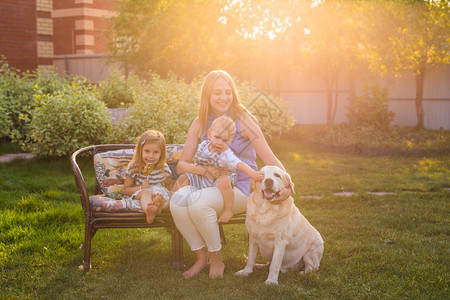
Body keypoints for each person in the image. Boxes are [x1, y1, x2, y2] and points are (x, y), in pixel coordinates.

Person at [170, 70, 291, 279]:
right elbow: (182, 165)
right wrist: (205, 171)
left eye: (228, 92)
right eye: (217, 92)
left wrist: (288, 185)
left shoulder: (244, 121)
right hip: (206, 183)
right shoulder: (199, 123)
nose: (224, 97)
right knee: (178, 201)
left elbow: (269, 159)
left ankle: (216, 258)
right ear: (207, 95)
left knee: (199, 204)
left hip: (240, 188)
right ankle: (201, 257)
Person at [172, 115, 264, 223]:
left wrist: (253, 174)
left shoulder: (226, 154)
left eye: (225, 140)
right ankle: (169, 202)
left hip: (217, 180)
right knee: (183, 178)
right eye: (217, 138)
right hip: (203, 177)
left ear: (231, 140)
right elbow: (191, 163)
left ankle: (228, 209)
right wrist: (201, 170)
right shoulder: (203, 146)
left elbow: (240, 164)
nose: (220, 143)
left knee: (224, 181)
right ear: (209, 134)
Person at [123, 129, 173, 224]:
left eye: (155, 152)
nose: (151, 156)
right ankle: (149, 210)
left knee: (162, 196)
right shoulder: (135, 167)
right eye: (147, 151)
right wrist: (141, 187)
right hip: (141, 193)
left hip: (158, 193)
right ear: (140, 150)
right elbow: (125, 190)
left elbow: (168, 184)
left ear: (161, 153)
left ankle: (160, 206)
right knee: (146, 192)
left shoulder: (163, 168)